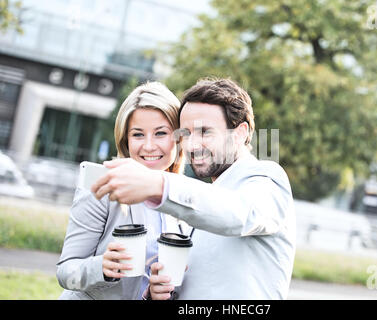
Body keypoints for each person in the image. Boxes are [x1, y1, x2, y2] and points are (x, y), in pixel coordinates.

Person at [92, 78, 296, 299]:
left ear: (240, 133)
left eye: (205, 132)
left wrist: (157, 184)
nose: (191, 145)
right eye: (185, 133)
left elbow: (238, 213)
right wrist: (155, 294)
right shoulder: (206, 200)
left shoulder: (267, 179)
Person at [56, 81, 185, 299]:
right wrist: (102, 267)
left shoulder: (182, 198)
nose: (149, 146)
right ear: (125, 140)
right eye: (138, 134)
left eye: (160, 133)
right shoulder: (102, 187)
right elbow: (65, 273)